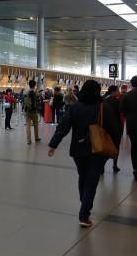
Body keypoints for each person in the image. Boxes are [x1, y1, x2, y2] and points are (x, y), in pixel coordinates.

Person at [48, 80, 120, 227]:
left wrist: (53, 144)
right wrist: (115, 148)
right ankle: (84, 213)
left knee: (83, 176)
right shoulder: (103, 107)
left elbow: (63, 127)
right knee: (91, 182)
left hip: (78, 149)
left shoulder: (75, 107)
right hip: (98, 150)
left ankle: (84, 202)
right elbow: (114, 129)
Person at [103, 85, 124, 172]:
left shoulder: (104, 100)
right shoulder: (117, 101)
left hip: (105, 127)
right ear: (113, 92)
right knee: (116, 146)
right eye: (117, 90)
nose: (119, 92)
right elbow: (120, 113)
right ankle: (114, 165)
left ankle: (102, 166)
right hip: (116, 127)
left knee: (105, 146)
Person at [24, 80, 41, 144]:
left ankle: (28, 140)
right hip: (34, 111)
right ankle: (36, 138)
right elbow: (36, 102)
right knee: (36, 125)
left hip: (27, 111)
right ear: (34, 85)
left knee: (28, 126)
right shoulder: (34, 93)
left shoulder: (25, 92)